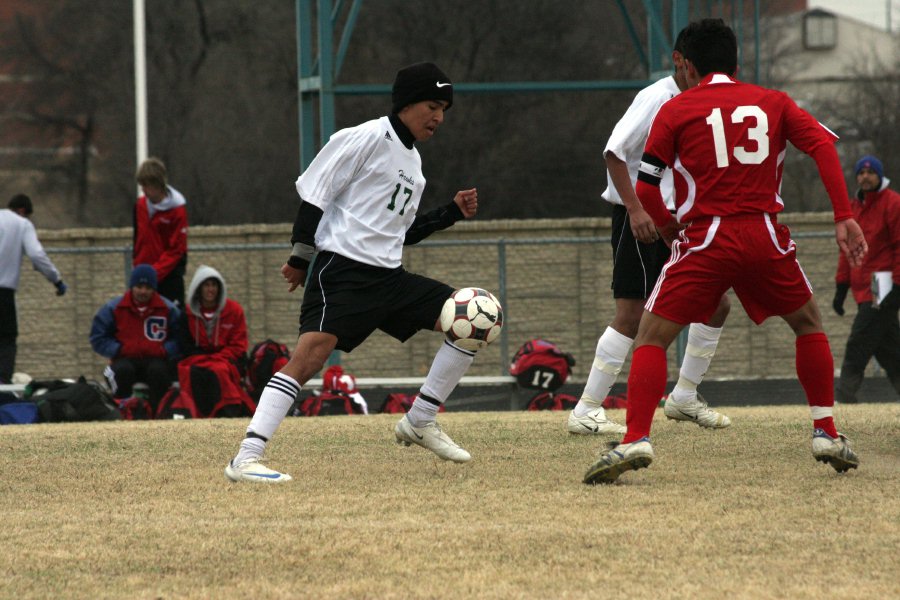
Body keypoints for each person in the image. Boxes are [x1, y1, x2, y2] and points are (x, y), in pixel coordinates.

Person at [582, 18, 868, 485]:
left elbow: (647, 183)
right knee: (808, 324)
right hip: (763, 233)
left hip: (706, 236)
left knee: (652, 337)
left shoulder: (676, 109)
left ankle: (635, 438)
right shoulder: (773, 102)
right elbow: (822, 147)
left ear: (688, 66)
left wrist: (672, 228)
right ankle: (825, 431)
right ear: (737, 63)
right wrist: (842, 215)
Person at [224, 62, 483, 483]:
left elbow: (399, 234)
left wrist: (449, 214)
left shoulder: (414, 167)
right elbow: (315, 194)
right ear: (407, 103)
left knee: (475, 317)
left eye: (444, 110)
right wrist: (299, 257)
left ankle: (420, 419)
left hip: (390, 278)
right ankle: (245, 458)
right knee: (308, 359)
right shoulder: (363, 137)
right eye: (433, 106)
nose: (439, 117)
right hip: (342, 271)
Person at [568, 25, 731, 437]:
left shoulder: (702, 101)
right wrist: (638, 210)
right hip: (639, 219)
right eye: (698, 70)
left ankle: (684, 396)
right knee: (632, 315)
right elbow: (615, 152)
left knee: (716, 305)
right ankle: (586, 409)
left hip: (680, 222)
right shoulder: (656, 98)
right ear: (680, 62)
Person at [832, 155, 900, 403]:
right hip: (863, 286)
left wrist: (897, 285)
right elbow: (846, 250)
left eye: (871, 172)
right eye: (861, 173)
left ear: (880, 176)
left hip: (882, 283)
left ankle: (845, 395)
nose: (865, 177)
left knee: (860, 339)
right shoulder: (853, 208)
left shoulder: (893, 204)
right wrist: (841, 287)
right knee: (889, 348)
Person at [89, 264, 181, 413]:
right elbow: (97, 337)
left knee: (159, 372)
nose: (143, 291)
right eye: (139, 286)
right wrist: (119, 349)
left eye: (148, 287)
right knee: (120, 371)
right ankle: (122, 410)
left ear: (154, 288)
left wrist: (164, 350)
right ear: (132, 286)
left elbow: (179, 337)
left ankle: (159, 413)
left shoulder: (168, 309)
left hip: (156, 360)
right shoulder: (114, 308)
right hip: (124, 360)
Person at [0, 194, 67, 383]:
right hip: (3, 293)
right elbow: (37, 255)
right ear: (23, 211)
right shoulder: (22, 224)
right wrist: (56, 280)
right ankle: (2, 387)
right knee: (6, 340)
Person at [174, 264, 255, 417]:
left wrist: (218, 358)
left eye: (214, 285)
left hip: (227, 359)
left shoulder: (234, 310)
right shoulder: (187, 313)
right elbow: (185, 345)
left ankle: (227, 409)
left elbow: (239, 345)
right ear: (198, 288)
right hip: (197, 359)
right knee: (188, 371)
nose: (210, 289)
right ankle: (194, 412)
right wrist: (206, 358)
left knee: (219, 370)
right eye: (206, 285)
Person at [134, 157, 188, 307]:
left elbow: (176, 250)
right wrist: (138, 269)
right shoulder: (140, 206)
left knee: (174, 320)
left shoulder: (177, 210)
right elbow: (138, 240)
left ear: (159, 185)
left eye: (147, 185)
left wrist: (155, 273)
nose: (144, 190)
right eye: (142, 185)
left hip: (168, 279)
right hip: (143, 278)